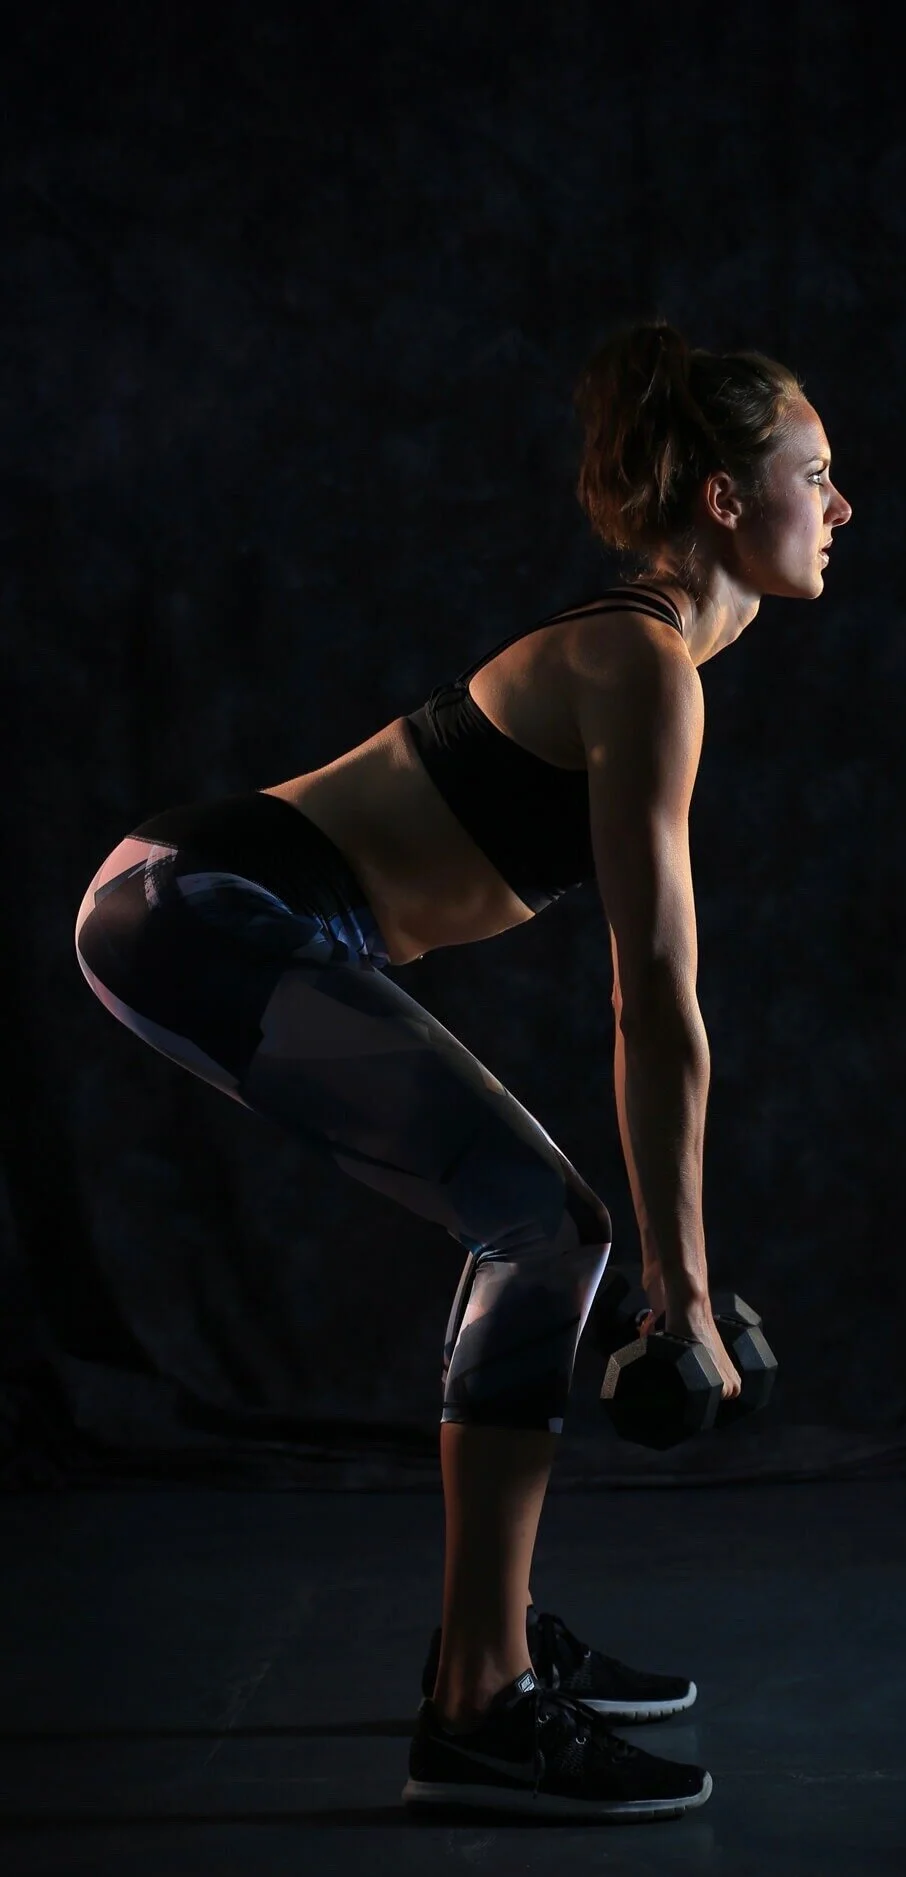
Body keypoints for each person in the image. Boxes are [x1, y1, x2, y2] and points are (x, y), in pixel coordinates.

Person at [73, 317, 852, 1821]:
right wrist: (680, 1297)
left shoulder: (652, 661)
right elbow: (657, 1000)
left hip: (220, 910)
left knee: (533, 1224)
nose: (837, 507)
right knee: (541, 1224)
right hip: (193, 907)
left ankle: (481, 1654)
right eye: (812, 475)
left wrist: (676, 1284)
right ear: (719, 499)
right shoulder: (639, 663)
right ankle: (480, 1706)